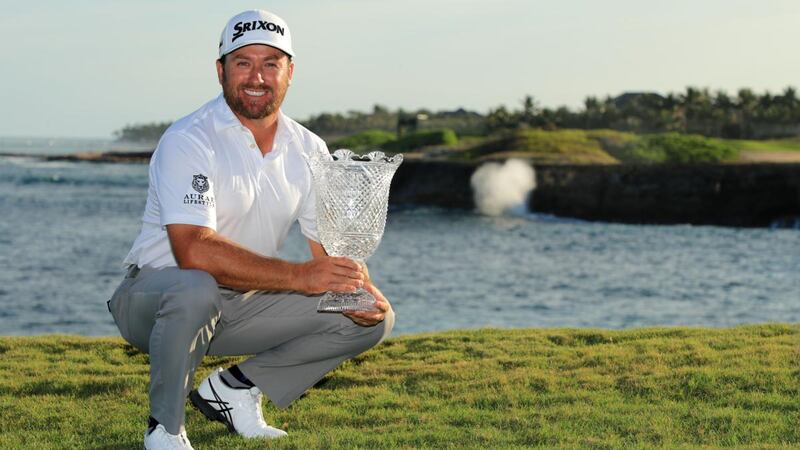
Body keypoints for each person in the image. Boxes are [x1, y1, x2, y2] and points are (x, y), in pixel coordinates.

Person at [107, 9, 394, 450]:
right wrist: (300, 277)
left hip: (240, 304)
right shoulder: (190, 138)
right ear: (221, 71)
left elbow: (330, 251)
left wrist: (356, 289)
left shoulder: (308, 147)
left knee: (372, 318)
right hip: (153, 301)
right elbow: (193, 252)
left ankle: (235, 390)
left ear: (290, 72)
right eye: (243, 63)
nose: (256, 76)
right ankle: (164, 430)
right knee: (195, 287)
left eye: (270, 63)